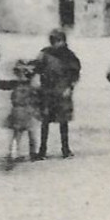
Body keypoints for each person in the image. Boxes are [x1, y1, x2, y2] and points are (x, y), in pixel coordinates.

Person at [36, 28, 81, 159]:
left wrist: (70, 87)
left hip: (63, 91)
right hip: (47, 92)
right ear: (52, 42)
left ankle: (65, 149)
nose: (60, 44)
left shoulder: (70, 56)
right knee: (45, 121)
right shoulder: (44, 54)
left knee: (63, 121)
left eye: (62, 40)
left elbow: (75, 73)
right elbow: (37, 68)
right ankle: (42, 150)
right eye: (57, 41)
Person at [0, 58, 44, 166]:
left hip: (22, 111)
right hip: (22, 111)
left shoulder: (23, 85)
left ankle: (22, 152)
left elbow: (2, 85)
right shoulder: (29, 86)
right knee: (22, 132)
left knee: (21, 133)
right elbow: (2, 85)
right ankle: (22, 152)